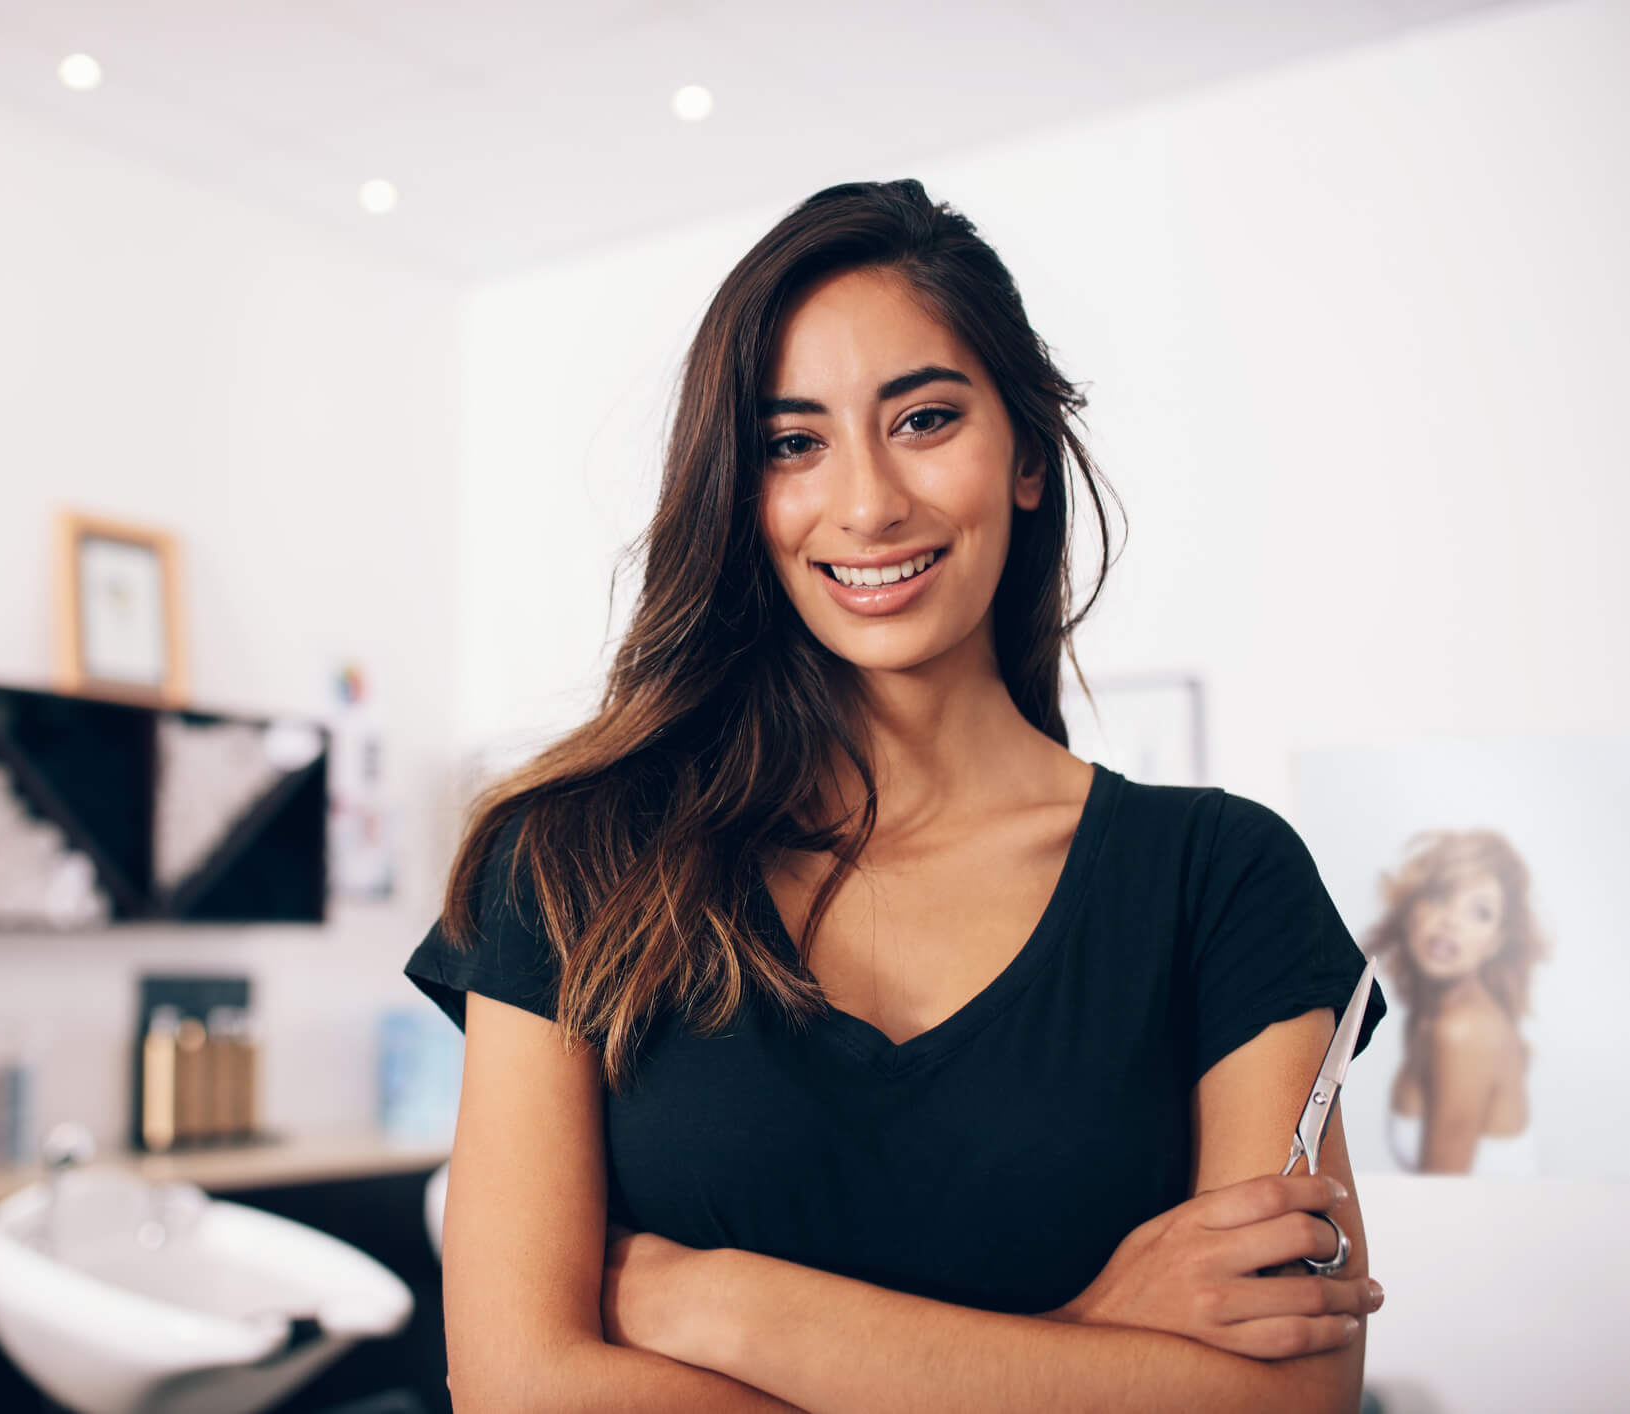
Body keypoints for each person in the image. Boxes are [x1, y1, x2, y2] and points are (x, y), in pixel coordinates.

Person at [403, 178, 1388, 1411]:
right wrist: (1087, 1338)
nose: (866, 502)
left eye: (923, 419)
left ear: (1027, 455)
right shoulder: (570, 861)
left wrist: (725, 1303)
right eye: (792, 442)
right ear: (738, 491)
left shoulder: (1222, 879)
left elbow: (1284, 1402)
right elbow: (522, 1389)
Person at [1363, 829, 1546, 1177]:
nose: (1450, 921)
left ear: (1496, 941)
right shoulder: (1427, 1017)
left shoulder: (1463, 1031)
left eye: (1479, 912)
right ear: (1411, 906)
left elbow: (1441, 1198)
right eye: (1439, 895)